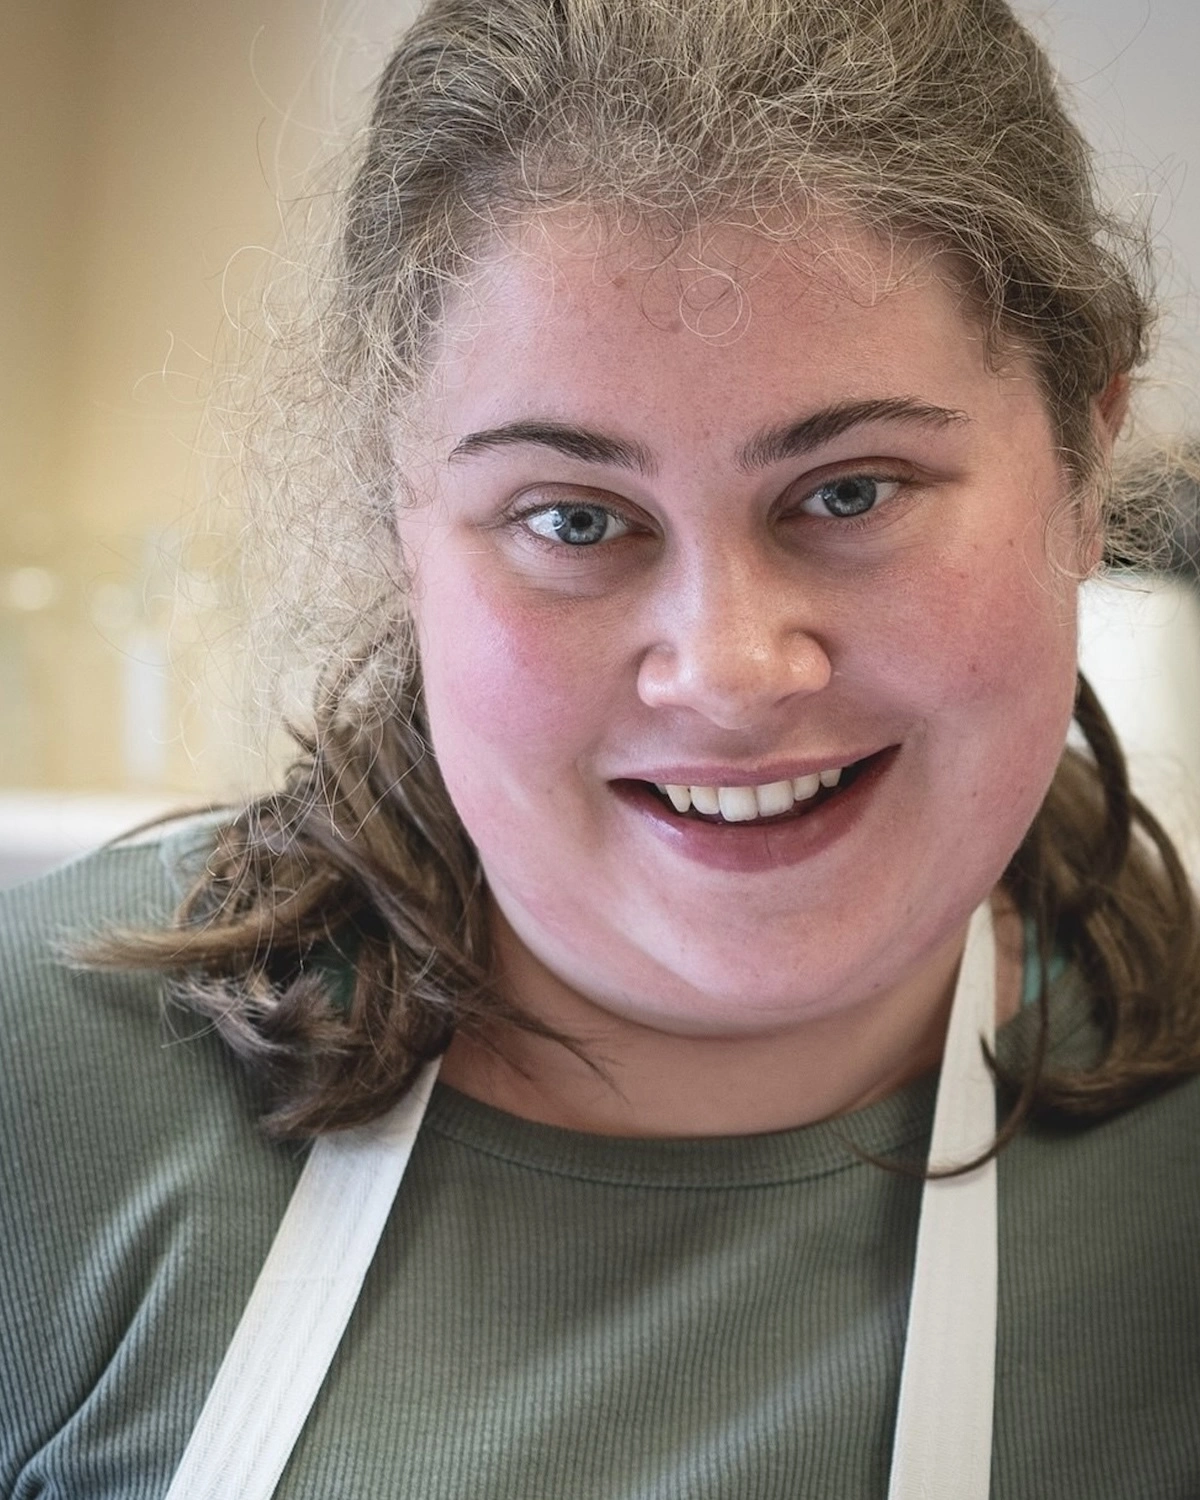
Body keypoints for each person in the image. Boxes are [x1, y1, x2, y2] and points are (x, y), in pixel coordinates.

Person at [3, 0, 1199, 1495]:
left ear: (1089, 462)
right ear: (401, 527)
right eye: (574, 519)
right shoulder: (35, 1096)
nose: (731, 671)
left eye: (853, 492)